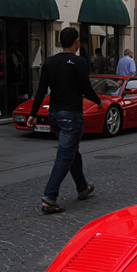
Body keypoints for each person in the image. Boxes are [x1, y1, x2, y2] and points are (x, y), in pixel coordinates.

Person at [26, 27, 102, 215]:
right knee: (65, 155)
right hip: (71, 114)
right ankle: (49, 197)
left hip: (55, 115)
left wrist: (33, 114)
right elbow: (86, 87)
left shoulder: (50, 62)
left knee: (72, 152)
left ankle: (82, 187)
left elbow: (42, 90)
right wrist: (98, 101)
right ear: (76, 42)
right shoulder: (78, 62)